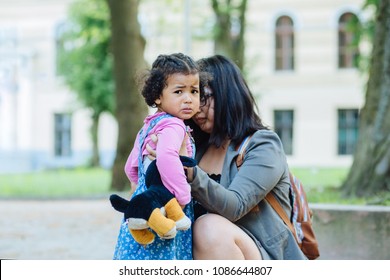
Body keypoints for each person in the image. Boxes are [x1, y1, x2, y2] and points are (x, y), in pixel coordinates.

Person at [148, 54, 307, 260]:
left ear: (228, 95)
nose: (196, 105)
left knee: (209, 228)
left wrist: (188, 170)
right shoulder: (195, 147)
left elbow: (235, 207)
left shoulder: (263, 145)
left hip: (266, 255)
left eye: (202, 96)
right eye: (192, 95)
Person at [112, 53, 204, 260]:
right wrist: (181, 195)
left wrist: (138, 188)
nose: (188, 98)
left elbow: (131, 166)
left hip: (146, 200)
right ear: (157, 96)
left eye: (194, 91)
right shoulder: (174, 125)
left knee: (139, 256)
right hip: (167, 205)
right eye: (179, 91)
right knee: (163, 254)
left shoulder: (150, 124)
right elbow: (166, 157)